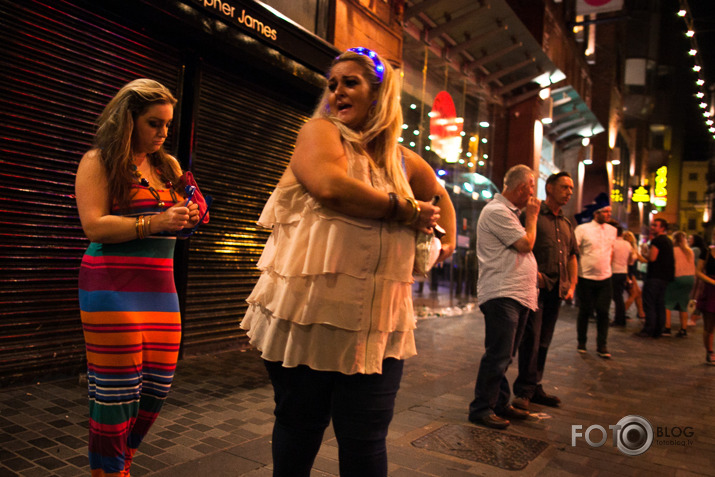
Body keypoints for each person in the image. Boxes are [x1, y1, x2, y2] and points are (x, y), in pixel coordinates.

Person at [240, 48, 456, 477]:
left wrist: (443, 243)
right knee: (301, 427)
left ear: (379, 95)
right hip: (311, 319)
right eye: (332, 83)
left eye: (350, 82)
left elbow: (441, 197)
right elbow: (330, 186)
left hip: (379, 327)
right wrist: (408, 211)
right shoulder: (319, 132)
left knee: (366, 439)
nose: (336, 90)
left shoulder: (401, 159)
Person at [75, 79, 201, 476]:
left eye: (167, 124)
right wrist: (155, 222)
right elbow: (93, 226)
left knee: (155, 389)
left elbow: (179, 220)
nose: (163, 133)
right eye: (154, 123)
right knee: (116, 394)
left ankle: (120, 463)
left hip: (161, 289)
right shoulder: (99, 161)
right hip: (111, 285)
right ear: (127, 120)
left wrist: (189, 218)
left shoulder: (169, 166)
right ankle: (109, 471)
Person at [468, 164, 540, 430]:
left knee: (506, 355)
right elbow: (525, 244)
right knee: (498, 355)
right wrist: (532, 217)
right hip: (502, 293)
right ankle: (481, 408)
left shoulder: (509, 213)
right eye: (531, 186)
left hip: (517, 293)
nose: (533, 193)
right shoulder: (497, 210)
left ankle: (499, 402)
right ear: (521, 187)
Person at [512, 172, 577, 412]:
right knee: (531, 338)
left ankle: (535, 384)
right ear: (549, 187)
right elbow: (519, 247)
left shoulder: (566, 223)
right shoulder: (534, 215)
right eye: (564, 187)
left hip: (556, 290)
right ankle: (524, 390)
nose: (569, 192)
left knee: (545, 340)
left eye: (571, 188)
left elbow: (572, 256)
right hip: (534, 287)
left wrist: (572, 284)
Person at [574, 195, 616, 358]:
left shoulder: (612, 230)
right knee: (585, 311)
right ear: (596, 213)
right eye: (605, 211)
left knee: (603, 312)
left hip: (605, 277)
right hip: (585, 276)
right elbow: (575, 252)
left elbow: (610, 252)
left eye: (609, 212)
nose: (608, 214)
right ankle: (582, 342)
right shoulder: (583, 229)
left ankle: (602, 345)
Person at [635, 218, 675, 338]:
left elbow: (652, 258)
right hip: (665, 278)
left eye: (655, 225)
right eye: (652, 225)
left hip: (654, 277)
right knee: (660, 304)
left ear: (662, 228)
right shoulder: (668, 241)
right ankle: (658, 329)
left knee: (650, 303)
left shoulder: (657, 241)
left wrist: (644, 253)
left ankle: (649, 329)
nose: (652, 227)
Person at [664, 231, 696, 337]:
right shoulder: (690, 251)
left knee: (668, 302)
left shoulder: (672, 251)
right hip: (690, 279)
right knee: (683, 304)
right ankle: (683, 329)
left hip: (677, 277)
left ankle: (667, 327)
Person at [696, 238, 715, 365]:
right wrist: (712, 281)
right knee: (709, 325)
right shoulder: (707, 252)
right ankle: (709, 351)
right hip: (711, 291)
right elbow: (698, 272)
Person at [610, 223, 633, 327]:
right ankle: (621, 318)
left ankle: (618, 319)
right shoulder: (627, 244)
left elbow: (610, 258)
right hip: (623, 272)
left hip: (613, 271)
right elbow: (631, 260)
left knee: (615, 296)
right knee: (619, 296)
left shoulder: (612, 243)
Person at [623, 231, 646, 321]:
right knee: (634, 293)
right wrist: (627, 278)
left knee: (638, 293)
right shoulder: (626, 248)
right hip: (627, 272)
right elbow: (625, 263)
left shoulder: (633, 248)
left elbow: (641, 259)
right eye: (626, 236)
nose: (628, 237)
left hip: (631, 273)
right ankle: (621, 313)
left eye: (630, 235)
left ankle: (641, 313)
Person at [688, 234, 707, 325]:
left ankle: (693, 318)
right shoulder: (702, 250)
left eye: (690, 239)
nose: (688, 240)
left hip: (697, 276)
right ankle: (695, 316)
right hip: (700, 275)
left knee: (694, 297)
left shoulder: (695, 250)